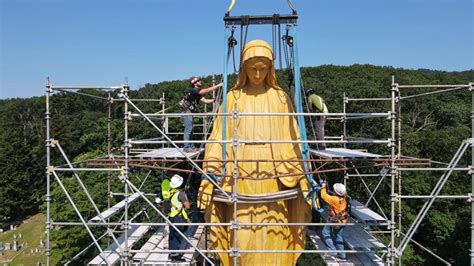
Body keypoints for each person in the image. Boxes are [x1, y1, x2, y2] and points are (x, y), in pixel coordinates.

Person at [198, 40, 312, 266]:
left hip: (274, 176)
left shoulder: (280, 98)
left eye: (263, 68)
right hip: (241, 175)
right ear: (243, 69)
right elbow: (217, 139)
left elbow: (293, 139)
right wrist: (210, 174)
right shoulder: (233, 98)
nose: (258, 74)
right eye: (252, 68)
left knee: (276, 236)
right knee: (242, 238)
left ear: (271, 69)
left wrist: (302, 173)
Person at [179, 77, 223, 153]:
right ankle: (186, 147)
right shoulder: (194, 90)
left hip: (189, 112)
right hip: (187, 112)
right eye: (198, 81)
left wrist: (214, 100)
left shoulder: (197, 93)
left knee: (191, 129)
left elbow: (205, 101)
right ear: (195, 83)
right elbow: (207, 90)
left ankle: (190, 146)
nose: (200, 81)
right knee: (188, 130)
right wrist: (218, 85)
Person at [320, 182, 348, 260]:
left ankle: (332, 250)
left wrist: (323, 186)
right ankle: (342, 255)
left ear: (336, 192)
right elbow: (334, 196)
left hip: (336, 220)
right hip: (343, 220)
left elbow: (323, 196)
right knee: (338, 236)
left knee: (325, 233)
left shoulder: (334, 199)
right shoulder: (344, 198)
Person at [167, 174, 191, 262]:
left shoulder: (171, 192)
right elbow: (187, 206)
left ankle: (172, 254)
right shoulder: (181, 194)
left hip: (172, 216)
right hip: (178, 218)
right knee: (177, 236)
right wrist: (187, 199)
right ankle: (175, 256)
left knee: (172, 236)